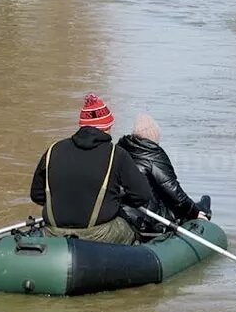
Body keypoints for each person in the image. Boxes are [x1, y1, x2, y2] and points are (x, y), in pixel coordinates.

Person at [30, 94, 152, 244]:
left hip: (53, 232)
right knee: (130, 228)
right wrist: (115, 200)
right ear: (106, 127)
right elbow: (143, 195)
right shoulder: (116, 154)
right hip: (99, 233)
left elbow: (36, 195)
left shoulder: (53, 150)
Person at [117, 114, 209, 237]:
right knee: (200, 207)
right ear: (153, 135)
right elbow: (173, 190)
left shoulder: (121, 149)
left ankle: (197, 207)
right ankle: (201, 211)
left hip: (125, 211)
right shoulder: (153, 155)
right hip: (147, 218)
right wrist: (194, 212)